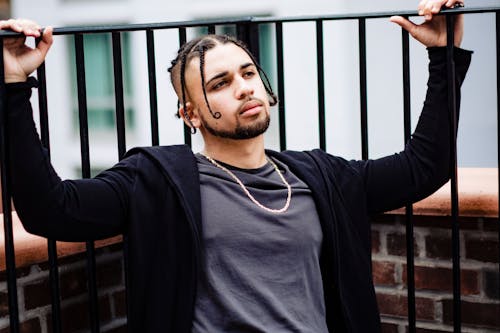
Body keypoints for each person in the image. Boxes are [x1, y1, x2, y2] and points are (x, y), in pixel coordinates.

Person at [1, 0, 471, 332]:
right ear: (189, 113)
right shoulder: (156, 180)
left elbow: (423, 167)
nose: (243, 88)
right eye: (220, 83)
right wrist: (13, 83)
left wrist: (443, 54)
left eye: (248, 74)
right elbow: (50, 210)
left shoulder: (321, 177)